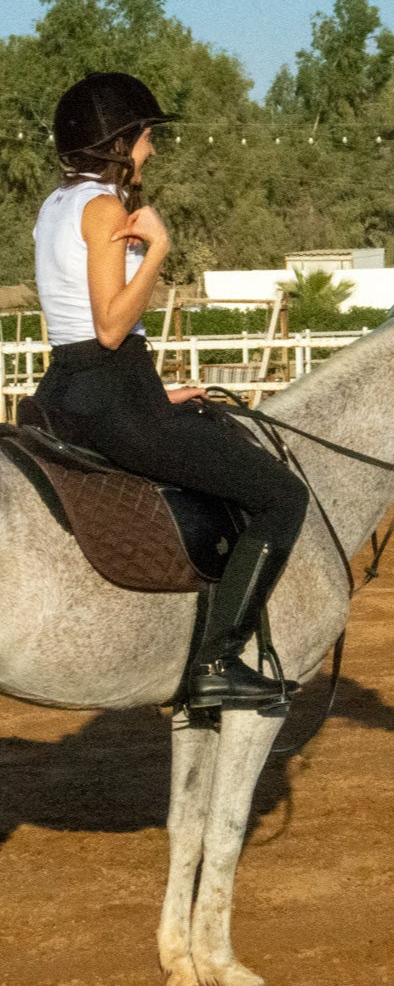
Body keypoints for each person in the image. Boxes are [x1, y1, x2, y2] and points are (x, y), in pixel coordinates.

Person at [33, 72, 310, 711]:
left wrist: (157, 395)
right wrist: (158, 248)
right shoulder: (105, 209)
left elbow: (78, 327)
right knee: (280, 496)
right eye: (147, 135)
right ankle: (217, 659)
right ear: (120, 141)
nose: (151, 148)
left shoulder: (56, 206)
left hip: (68, 393)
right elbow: (107, 327)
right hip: (110, 396)